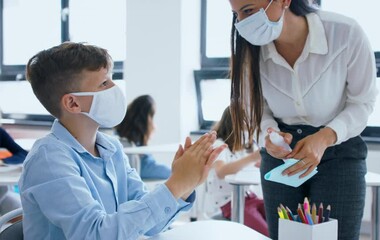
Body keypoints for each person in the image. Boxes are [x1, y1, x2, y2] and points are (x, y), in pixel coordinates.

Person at [19, 42, 226, 240]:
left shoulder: (111, 149)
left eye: (111, 79)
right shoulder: (49, 159)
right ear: (73, 102)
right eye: (104, 83)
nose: (114, 88)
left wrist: (184, 186)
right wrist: (174, 185)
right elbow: (95, 235)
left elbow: (150, 223)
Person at [227, 0, 378, 239]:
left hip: (338, 150)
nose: (242, 23)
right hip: (281, 156)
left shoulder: (345, 33)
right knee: (286, 235)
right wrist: (270, 134)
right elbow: (255, 109)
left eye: (248, 10)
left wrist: (324, 137)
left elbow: (363, 103)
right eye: (236, 14)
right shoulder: (249, 50)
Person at [207, 106, 268, 236]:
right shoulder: (219, 145)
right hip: (231, 202)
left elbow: (254, 164)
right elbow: (221, 171)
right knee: (266, 234)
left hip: (251, 198)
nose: (250, 128)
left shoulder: (244, 146)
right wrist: (252, 158)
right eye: (247, 123)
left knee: (278, 221)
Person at [115, 95, 171, 179]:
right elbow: (151, 168)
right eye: (152, 118)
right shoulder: (135, 151)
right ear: (146, 120)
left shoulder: (120, 139)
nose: (155, 127)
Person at [0, 126, 27, 216]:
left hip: (2, 194)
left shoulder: (0, 132)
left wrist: (3, 161)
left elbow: (23, 154)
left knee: (24, 215)